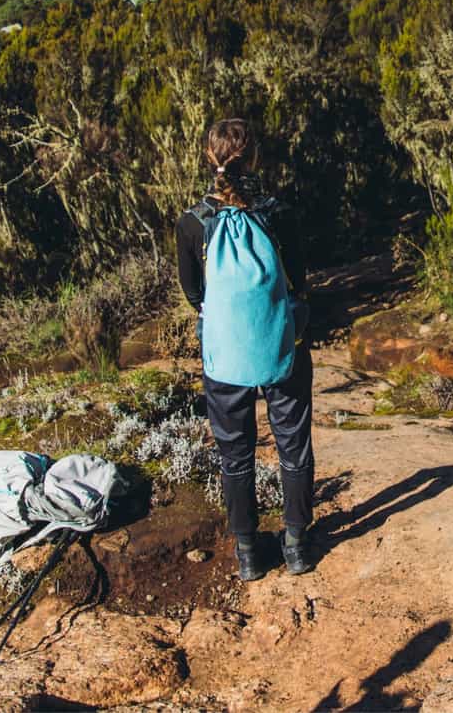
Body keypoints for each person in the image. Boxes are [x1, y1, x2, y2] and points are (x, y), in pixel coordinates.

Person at [176, 118, 317, 580]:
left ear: (207, 159)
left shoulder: (192, 223)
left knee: (235, 454)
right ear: (255, 159)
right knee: (292, 443)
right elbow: (300, 278)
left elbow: (193, 294)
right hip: (283, 344)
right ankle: (296, 545)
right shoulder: (280, 214)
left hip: (224, 353)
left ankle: (249, 554)